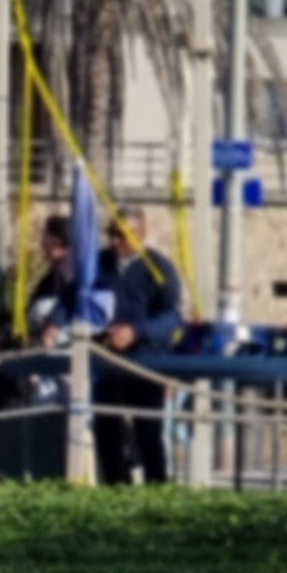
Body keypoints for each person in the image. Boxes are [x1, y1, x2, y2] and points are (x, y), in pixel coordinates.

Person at [94, 206, 182, 485]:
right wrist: (55, 323)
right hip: (108, 362)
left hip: (145, 362)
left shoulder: (158, 268)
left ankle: (157, 491)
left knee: (148, 433)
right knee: (106, 429)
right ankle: (116, 491)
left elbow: (172, 317)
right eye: (111, 234)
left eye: (121, 235)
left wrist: (136, 332)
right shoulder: (99, 264)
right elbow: (75, 297)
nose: (114, 241)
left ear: (140, 234)